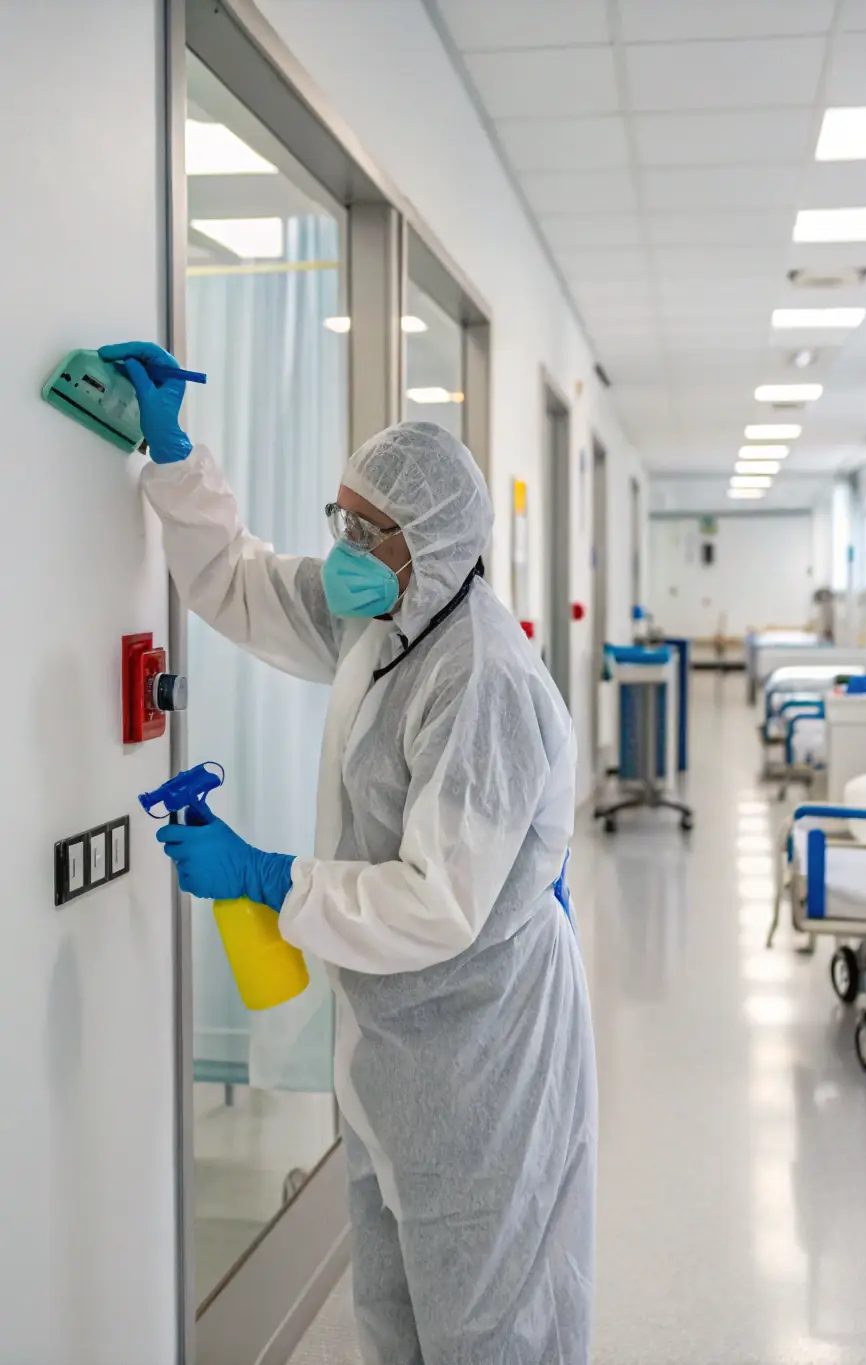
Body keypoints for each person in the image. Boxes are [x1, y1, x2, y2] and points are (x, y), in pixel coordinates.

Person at [100, 341, 597, 1364]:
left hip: (480, 1038)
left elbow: (436, 904)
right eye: (341, 520)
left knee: (486, 1314)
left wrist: (266, 877)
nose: (341, 548)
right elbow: (240, 586)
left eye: (366, 529)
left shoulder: (480, 680)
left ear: (435, 542)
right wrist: (175, 454)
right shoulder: (384, 620)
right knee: (396, 1301)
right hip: (396, 1037)